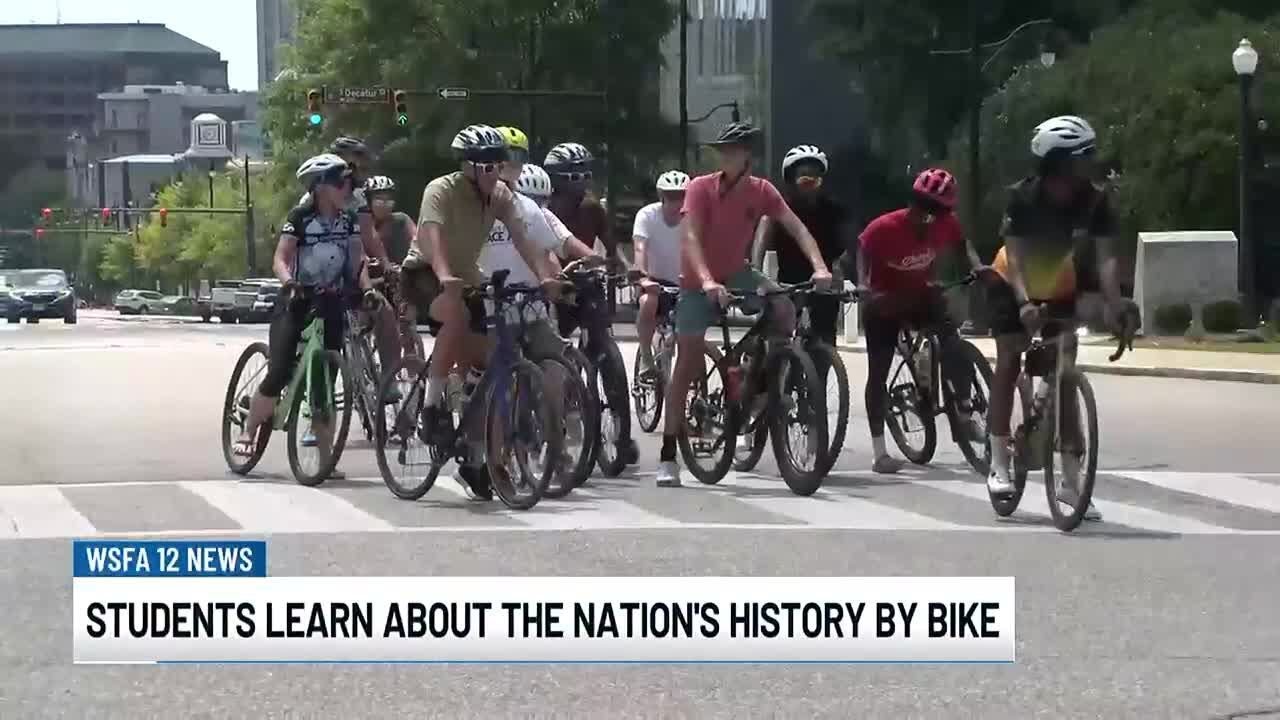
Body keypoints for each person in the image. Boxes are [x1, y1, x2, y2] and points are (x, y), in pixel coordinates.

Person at [655, 121, 833, 487]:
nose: (727, 156)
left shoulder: (761, 191)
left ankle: (763, 373)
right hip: (696, 280)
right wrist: (705, 280)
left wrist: (819, 267)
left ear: (749, 155)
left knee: (783, 306)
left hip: (738, 272)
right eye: (724, 150)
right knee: (688, 360)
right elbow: (689, 238)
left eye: (735, 150)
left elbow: (797, 228)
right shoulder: (700, 188)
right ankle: (669, 454)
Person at [983, 115, 1138, 521]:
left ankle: (1072, 480)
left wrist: (1116, 304)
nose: (1091, 164)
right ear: (1056, 162)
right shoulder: (1023, 196)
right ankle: (999, 461)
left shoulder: (1096, 199)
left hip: (1059, 286)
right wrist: (1022, 305)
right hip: (1010, 283)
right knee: (1009, 359)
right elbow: (1014, 258)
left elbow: (1105, 262)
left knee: (1066, 375)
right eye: (1083, 157)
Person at [406, 124, 561, 500]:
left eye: (498, 165)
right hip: (425, 271)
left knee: (498, 364)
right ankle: (431, 407)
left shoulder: (501, 197)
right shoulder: (440, 190)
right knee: (457, 316)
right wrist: (444, 275)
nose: (494, 173)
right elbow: (432, 236)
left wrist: (545, 278)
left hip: (467, 274)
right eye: (487, 167)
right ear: (470, 168)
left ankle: (480, 459)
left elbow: (523, 239)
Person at [232, 153, 384, 475]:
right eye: (341, 184)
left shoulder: (350, 220)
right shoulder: (300, 217)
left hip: (331, 301)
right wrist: (288, 283)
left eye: (350, 184)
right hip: (297, 300)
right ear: (320, 187)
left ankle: (324, 453)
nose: (348, 190)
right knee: (280, 368)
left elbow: (357, 262)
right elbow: (281, 258)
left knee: (326, 378)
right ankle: (249, 429)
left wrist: (367, 289)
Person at [857, 168, 984, 475]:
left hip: (920, 296)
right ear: (912, 202)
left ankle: (964, 412)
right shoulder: (884, 227)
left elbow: (963, 246)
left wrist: (979, 268)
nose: (928, 218)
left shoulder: (946, 224)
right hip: (884, 302)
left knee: (954, 344)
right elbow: (860, 252)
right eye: (923, 209)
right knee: (879, 372)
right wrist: (863, 285)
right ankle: (880, 453)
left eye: (937, 212)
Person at [753, 145, 856, 349]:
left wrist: (840, 271)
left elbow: (851, 247)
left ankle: (820, 377)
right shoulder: (777, 211)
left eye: (815, 179)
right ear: (791, 180)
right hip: (787, 284)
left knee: (825, 341)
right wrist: (756, 277)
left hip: (823, 284)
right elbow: (760, 246)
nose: (810, 185)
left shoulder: (835, 211)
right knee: (776, 340)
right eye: (803, 178)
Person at [632, 170, 689, 374]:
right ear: (661, 196)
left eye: (681, 196)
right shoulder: (647, 216)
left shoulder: (692, 218)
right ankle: (646, 358)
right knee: (649, 301)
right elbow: (640, 248)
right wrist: (643, 278)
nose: (677, 202)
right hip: (654, 281)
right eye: (671, 196)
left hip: (683, 283)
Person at [364, 175, 420, 363]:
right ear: (368, 201)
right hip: (369, 281)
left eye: (389, 199)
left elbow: (417, 238)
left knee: (406, 323)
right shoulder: (362, 223)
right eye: (379, 199)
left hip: (397, 277)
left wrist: (419, 256)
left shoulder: (401, 220)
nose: (385, 204)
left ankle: (414, 374)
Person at [544, 142, 617, 267]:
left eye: (585, 168)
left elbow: (612, 250)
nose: (583, 175)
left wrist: (621, 269)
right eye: (576, 171)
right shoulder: (543, 210)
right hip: (548, 278)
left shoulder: (591, 207)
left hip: (586, 279)